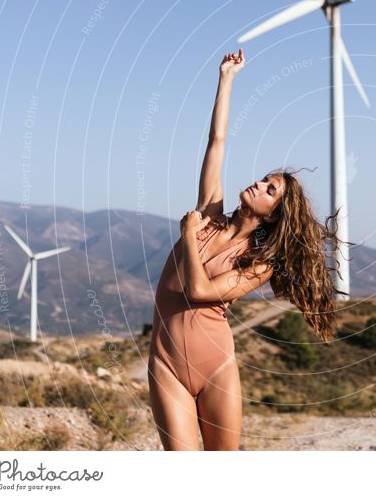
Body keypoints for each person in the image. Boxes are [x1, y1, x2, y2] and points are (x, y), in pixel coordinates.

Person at [148, 48, 352, 451]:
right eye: (263, 179)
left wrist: (189, 236)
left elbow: (202, 292)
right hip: (167, 363)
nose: (258, 184)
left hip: (216, 366)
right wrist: (227, 78)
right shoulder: (209, 211)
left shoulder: (260, 264)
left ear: (274, 214)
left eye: (269, 189)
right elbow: (217, 141)